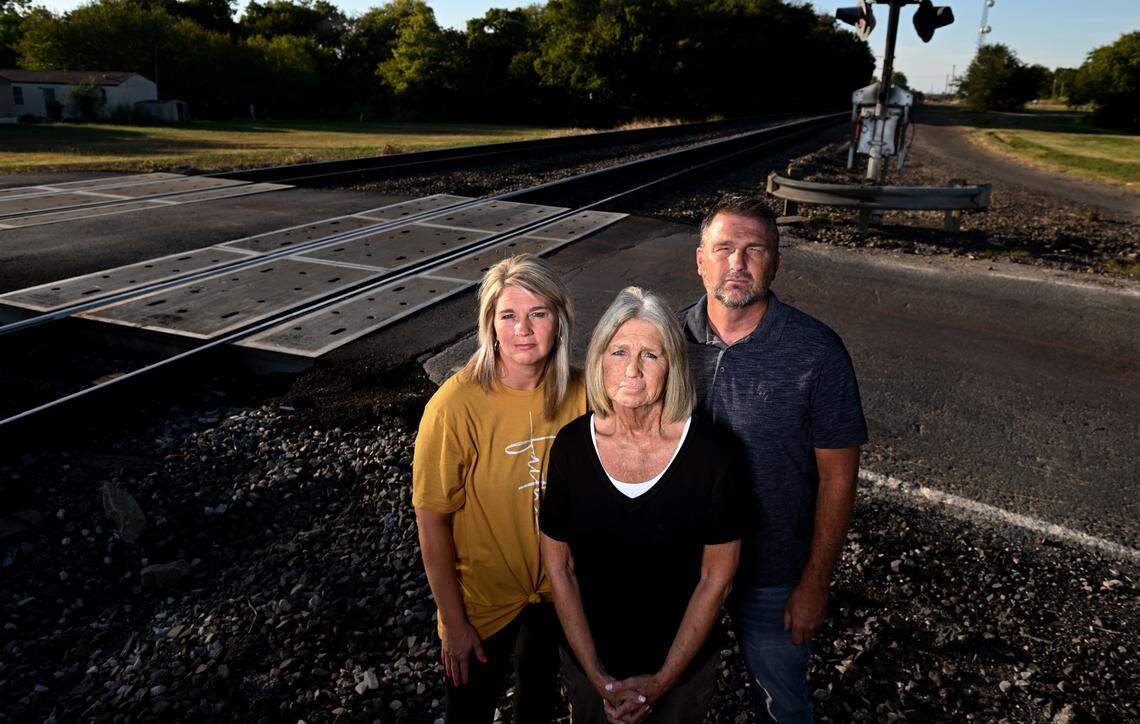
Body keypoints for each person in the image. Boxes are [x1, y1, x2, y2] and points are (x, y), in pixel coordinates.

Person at [682, 194, 867, 722]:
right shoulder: (665, 341)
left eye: (753, 250)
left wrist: (815, 581)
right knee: (676, 696)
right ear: (700, 260)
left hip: (774, 573)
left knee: (783, 704)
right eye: (723, 249)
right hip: (683, 568)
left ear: (776, 262)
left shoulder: (817, 351)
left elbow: (838, 478)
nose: (736, 264)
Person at [540, 286, 746, 724]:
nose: (631, 369)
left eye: (650, 355)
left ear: (672, 365)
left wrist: (663, 680)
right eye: (618, 352)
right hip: (590, 670)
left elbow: (717, 579)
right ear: (598, 359)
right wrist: (597, 677)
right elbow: (559, 568)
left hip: (681, 677)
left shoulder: (713, 455)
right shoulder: (572, 448)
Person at [412, 253, 586, 723]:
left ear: (559, 319)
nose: (522, 329)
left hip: (557, 593)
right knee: (468, 710)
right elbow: (431, 521)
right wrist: (452, 622)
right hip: (482, 602)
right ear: (490, 325)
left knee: (539, 699)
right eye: (508, 315)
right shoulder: (455, 405)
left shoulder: (583, 393)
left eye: (538, 314)